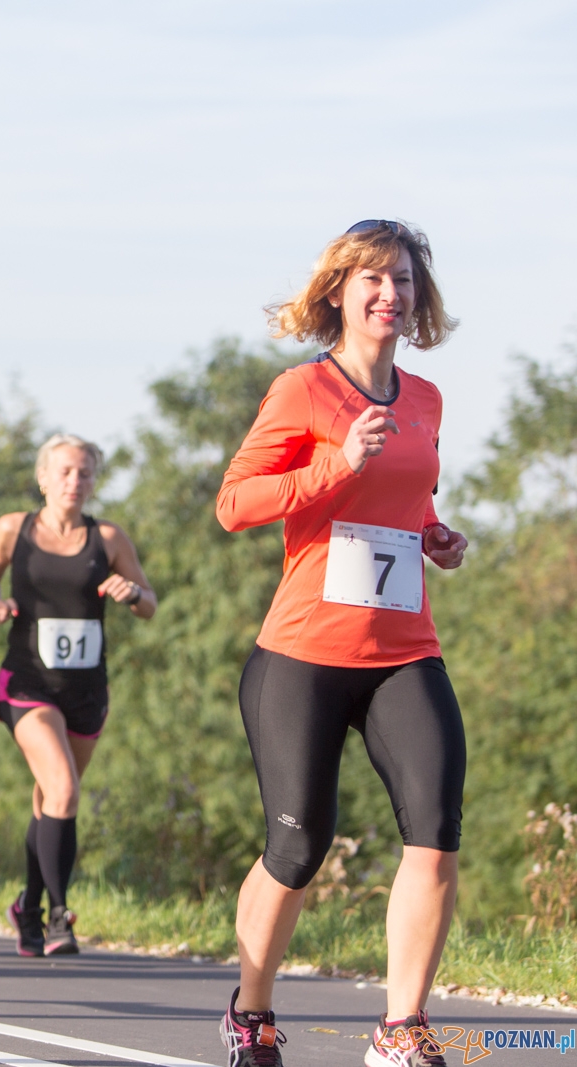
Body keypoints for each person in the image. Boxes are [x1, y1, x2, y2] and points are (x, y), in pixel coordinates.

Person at [214, 220, 468, 1067]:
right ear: (338, 292)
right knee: (297, 846)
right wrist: (335, 464)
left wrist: (434, 535)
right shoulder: (303, 391)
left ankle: (400, 1027)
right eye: (372, 279)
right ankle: (251, 1011)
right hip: (304, 654)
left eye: (403, 279)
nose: (390, 293)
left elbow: (410, 503)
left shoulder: (426, 399)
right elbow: (235, 503)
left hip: (404, 648)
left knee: (435, 832)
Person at [0, 434, 156, 956]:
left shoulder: (109, 538)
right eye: (65, 471)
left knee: (52, 800)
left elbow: (149, 603)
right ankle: (59, 915)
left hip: (86, 689)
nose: (75, 481)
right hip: (28, 682)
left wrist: (132, 593)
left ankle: (26, 907)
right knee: (64, 790)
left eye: (85, 473)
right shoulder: (13, 528)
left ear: (94, 481)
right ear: (43, 478)